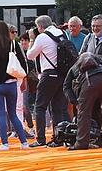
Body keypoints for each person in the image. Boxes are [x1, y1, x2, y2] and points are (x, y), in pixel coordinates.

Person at [26, 15, 70, 147]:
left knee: (40, 107)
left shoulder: (42, 37)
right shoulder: (63, 33)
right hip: (62, 74)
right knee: (57, 108)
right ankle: (58, 138)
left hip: (48, 74)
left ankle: (40, 139)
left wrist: (32, 39)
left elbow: (30, 55)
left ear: (40, 26)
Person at [0, 20, 28, 151]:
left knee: (1, 114)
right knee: (13, 114)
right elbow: (23, 64)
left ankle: (4, 143)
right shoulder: (13, 45)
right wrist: (23, 79)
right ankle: (24, 142)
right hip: (12, 84)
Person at [64, 53, 102, 150]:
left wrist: (76, 103)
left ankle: (81, 143)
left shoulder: (74, 68)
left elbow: (66, 86)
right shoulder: (101, 62)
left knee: (84, 113)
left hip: (90, 81)